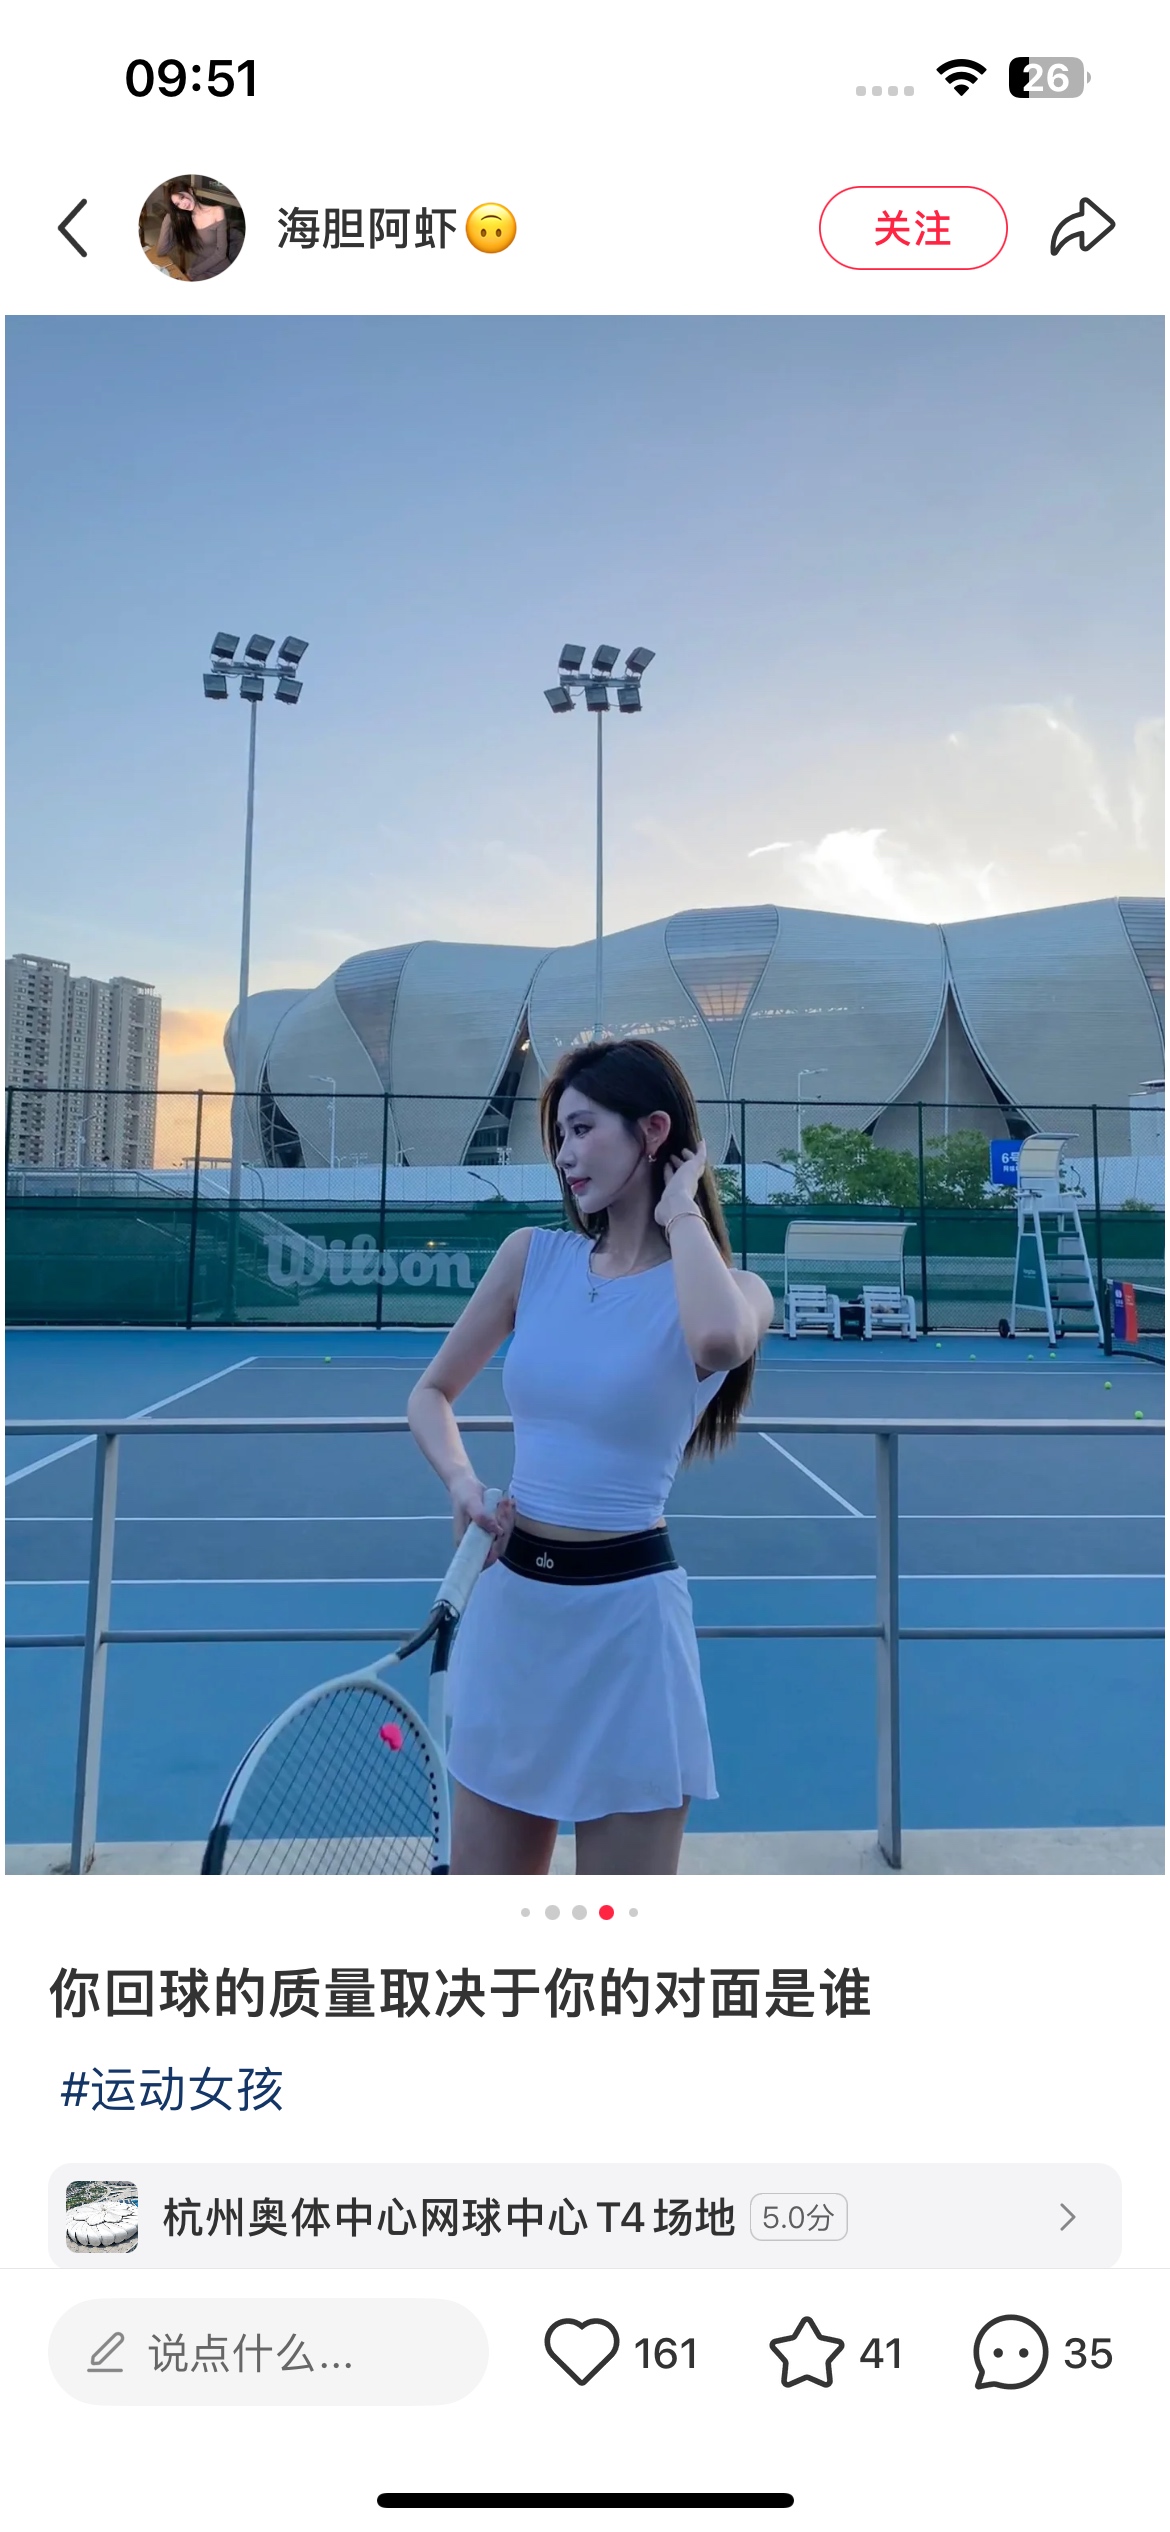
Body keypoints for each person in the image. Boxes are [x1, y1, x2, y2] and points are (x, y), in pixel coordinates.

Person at [407, 1035, 774, 1875]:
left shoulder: (735, 1291)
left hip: (630, 1636)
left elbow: (719, 1342)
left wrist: (681, 1210)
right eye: (559, 1138)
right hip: (511, 1618)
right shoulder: (531, 1258)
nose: (566, 1156)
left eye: (582, 1129)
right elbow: (431, 1394)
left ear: (653, 1131)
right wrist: (463, 1482)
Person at [154, 180, 240, 282]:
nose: (183, 205)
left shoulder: (216, 211)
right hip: (200, 267)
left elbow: (221, 254)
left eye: (182, 197)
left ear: (190, 191)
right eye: (177, 204)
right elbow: (161, 250)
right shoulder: (185, 220)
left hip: (219, 269)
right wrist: (169, 216)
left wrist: (193, 272)